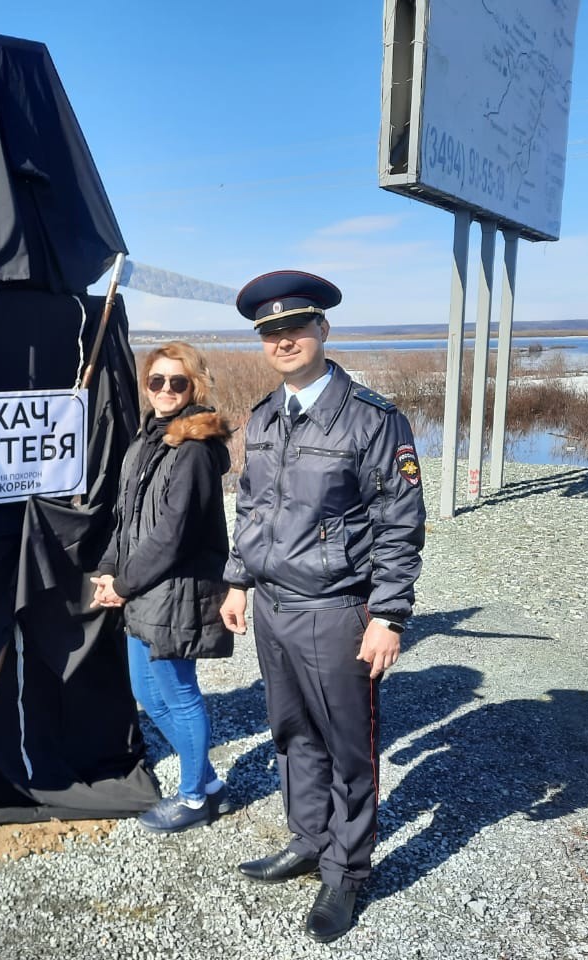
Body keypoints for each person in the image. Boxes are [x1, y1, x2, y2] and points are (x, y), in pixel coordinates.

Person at [218, 271, 426, 942]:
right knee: (291, 733)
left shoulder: (370, 417)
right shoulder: (264, 416)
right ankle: (308, 839)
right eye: (270, 332)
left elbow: (400, 521)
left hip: (338, 610)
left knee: (348, 748)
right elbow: (253, 508)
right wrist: (237, 581)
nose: (283, 340)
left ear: (323, 330)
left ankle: (347, 871)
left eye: (295, 327)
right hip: (274, 607)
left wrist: (390, 614)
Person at [91, 341, 235, 834]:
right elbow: (125, 517)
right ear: (147, 385)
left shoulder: (193, 450)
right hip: (142, 590)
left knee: (179, 693)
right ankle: (210, 781)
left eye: (178, 382)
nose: (167, 390)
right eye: (158, 381)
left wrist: (123, 585)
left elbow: (173, 535)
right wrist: (110, 570)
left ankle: (195, 797)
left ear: (193, 386)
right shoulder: (148, 438)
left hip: (174, 592)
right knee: (146, 694)